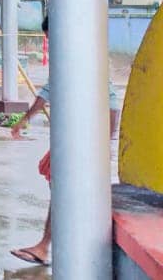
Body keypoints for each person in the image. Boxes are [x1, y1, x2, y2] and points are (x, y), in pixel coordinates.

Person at [9, 16, 122, 267]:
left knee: (66, 189)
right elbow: (50, 89)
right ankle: (46, 245)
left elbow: (111, 101)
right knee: (60, 187)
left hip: (86, 137)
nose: (49, 40)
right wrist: (25, 119)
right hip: (76, 135)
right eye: (47, 36)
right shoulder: (72, 57)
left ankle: (48, 246)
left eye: (51, 35)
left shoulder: (87, 57)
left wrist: (106, 143)